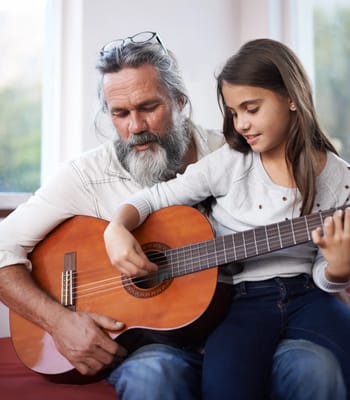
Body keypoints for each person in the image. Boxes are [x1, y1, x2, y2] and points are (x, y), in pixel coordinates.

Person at [0, 32, 345, 400]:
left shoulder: (236, 155)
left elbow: (311, 230)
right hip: (153, 346)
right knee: (154, 376)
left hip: (248, 324)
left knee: (311, 366)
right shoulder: (85, 177)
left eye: (149, 107)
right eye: (120, 113)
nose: (135, 127)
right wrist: (58, 320)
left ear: (180, 101)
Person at [103, 37, 350, 400]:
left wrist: (337, 271)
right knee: (224, 386)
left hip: (308, 295)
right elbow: (155, 197)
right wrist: (118, 227)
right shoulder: (231, 161)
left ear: (292, 98)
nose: (242, 124)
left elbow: (319, 270)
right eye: (234, 113)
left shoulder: (340, 178)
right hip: (240, 299)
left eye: (251, 109)